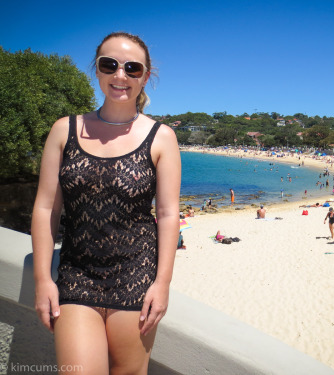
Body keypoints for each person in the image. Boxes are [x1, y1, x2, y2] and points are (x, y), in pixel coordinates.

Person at [31, 32, 181, 374]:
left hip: (136, 276)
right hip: (77, 275)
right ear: (97, 70)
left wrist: (162, 283)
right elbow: (45, 209)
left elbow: (169, 214)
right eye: (109, 64)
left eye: (132, 68)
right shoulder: (63, 130)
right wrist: (43, 279)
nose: (120, 76)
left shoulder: (162, 137)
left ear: (145, 76)